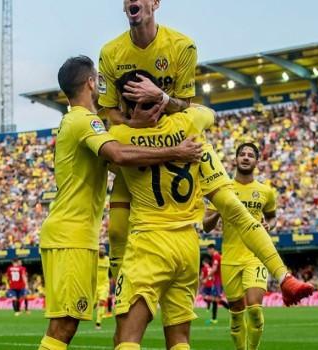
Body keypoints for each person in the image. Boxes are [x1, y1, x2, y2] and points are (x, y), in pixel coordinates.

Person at [109, 70, 313, 350]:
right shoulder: (191, 124)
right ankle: (284, 276)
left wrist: (117, 265)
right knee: (180, 341)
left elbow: (116, 224)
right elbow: (209, 113)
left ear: (125, 105)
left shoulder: (119, 136)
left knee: (126, 339)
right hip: (187, 247)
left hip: (149, 244)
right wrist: (166, 99)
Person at [37, 55, 202, 350]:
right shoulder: (84, 121)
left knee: (66, 323)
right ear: (90, 82)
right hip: (70, 235)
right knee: (63, 325)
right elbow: (120, 156)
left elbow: (118, 156)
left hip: (74, 233)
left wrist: (133, 125)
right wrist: (175, 150)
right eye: (97, 77)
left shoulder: (81, 121)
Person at [98, 0, 198, 280]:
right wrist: (134, 124)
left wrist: (160, 97)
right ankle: (119, 294)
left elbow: (187, 106)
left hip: (171, 139)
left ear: (155, 3)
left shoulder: (182, 46)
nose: (132, 1)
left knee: (222, 198)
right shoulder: (110, 53)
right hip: (133, 146)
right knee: (117, 231)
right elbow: (109, 110)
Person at [202, 143, 276, 349]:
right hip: (231, 258)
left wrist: (270, 225)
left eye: (250, 155)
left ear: (256, 161)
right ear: (235, 159)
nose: (245, 157)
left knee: (254, 307)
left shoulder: (265, 191)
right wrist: (219, 208)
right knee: (236, 313)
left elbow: (271, 217)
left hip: (255, 255)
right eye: (242, 154)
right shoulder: (222, 189)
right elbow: (206, 226)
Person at [203, 244, 226, 325]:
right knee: (214, 300)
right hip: (216, 281)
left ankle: (232, 309)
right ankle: (214, 319)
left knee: (216, 299)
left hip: (218, 281)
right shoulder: (216, 256)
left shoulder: (216, 256)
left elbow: (214, 269)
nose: (208, 252)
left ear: (212, 249)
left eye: (208, 250)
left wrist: (207, 277)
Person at [95, 245, 111, 330]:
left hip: (104, 285)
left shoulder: (108, 260)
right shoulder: (94, 260)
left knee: (102, 302)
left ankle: (98, 322)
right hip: (95, 285)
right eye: (100, 249)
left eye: (103, 249)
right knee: (93, 304)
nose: (102, 250)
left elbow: (111, 272)